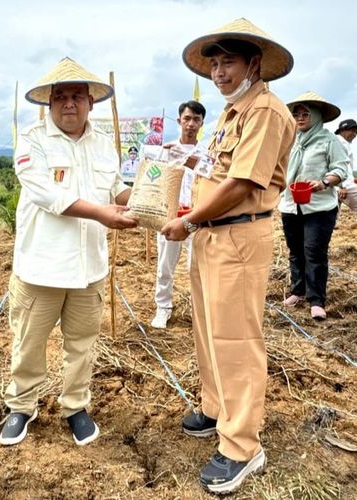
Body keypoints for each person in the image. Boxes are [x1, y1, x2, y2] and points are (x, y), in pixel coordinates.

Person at [160, 18, 296, 494]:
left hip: (237, 236)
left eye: (228, 62)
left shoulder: (265, 112)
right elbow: (220, 169)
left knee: (236, 338)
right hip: (213, 235)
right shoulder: (231, 112)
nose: (218, 72)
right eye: (214, 63)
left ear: (253, 64)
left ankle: (242, 446)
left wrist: (189, 220)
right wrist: (190, 160)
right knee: (208, 329)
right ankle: (216, 407)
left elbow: (240, 184)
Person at [0, 57, 137, 448]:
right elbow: (45, 192)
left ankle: (75, 405)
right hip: (41, 265)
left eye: (77, 96)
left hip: (88, 267)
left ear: (91, 102)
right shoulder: (32, 139)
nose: (69, 104)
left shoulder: (102, 145)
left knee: (82, 343)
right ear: (49, 104)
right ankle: (21, 406)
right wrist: (101, 213)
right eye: (60, 97)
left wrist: (145, 204)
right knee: (28, 342)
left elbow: (115, 189)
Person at [278, 93, 348, 320]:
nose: (300, 118)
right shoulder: (291, 140)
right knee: (296, 250)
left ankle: (316, 299)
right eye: (296, 114)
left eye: (305, 114)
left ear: (316, 116)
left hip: (319, 206)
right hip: (291, 204)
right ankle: (298, 291)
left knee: (314, 252)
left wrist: (324, 182)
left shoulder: (329, 141)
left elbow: (340, 169)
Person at [151, 100, 205, 329]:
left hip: (197, 216)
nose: (191, 124)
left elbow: (211, 177)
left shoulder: (206, 153)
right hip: (170, 215)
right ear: (179, 120)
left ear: (202, 123)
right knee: (165, 264)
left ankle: (200, 311)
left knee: (198, 266)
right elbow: (154, 177)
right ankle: (163, 308)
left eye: (196, 120)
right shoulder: (166, 150)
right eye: (187, 119)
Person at [334, 118, 357, 210]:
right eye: (352, 131)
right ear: (343, 130)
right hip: (341, 187)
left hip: (337, 186)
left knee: (331, 217)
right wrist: (342, 186)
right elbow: (340, 167)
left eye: (356, 132)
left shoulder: (343, 143)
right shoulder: (339, 143)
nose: (355, 134)